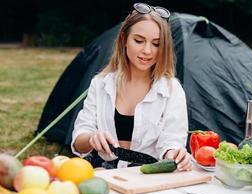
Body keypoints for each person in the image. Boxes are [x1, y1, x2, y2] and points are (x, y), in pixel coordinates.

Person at [71, 3, 192, 171]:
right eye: (139, 41)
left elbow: (171, 141)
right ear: (124, 39)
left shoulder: (172, 90)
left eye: (156, 44)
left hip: (148, 175)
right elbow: (79, 140)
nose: (147, 50)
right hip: (102, 173)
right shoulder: (100, 84)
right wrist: (91, 138)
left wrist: (173, 155)